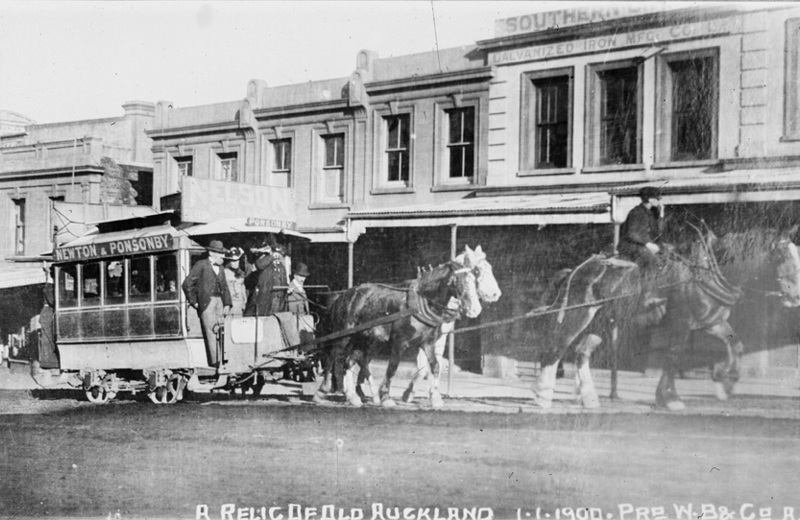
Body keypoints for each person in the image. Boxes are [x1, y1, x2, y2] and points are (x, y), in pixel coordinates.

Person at [182, 240, 232, 367]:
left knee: (224, 331)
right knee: (212, 333)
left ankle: (225, 361)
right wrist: (194, 302)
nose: (223, 256)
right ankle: (216, 364)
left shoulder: (220, 268)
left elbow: (225, 287)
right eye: (220, 253)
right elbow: (187, 284)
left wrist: (227, 303)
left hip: (220, 302)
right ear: (212, 253)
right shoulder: (201, 265)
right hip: (207, 303)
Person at [619, 186, 663, 269]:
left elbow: (657, 232)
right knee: (652, 261)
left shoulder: (651, 213)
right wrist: (648, 244)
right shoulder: (636, 212)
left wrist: (661, 214)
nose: (660, 200)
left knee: (665, 253)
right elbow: (632, 233)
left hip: (642, 245)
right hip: (630, 246)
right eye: (658, 198)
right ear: (650, 200)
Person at [244, 245, 288, 316]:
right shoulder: (267, 263)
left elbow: (284, 282)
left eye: (279, 255)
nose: (277, 257)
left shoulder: (282, 267)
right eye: (276, 254)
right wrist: (271, 257)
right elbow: (259, 265)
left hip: (278, 298)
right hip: (266, 296)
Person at [223, 247, 247, 316]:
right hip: (229, 304)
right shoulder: (225, 272)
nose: (235, 263)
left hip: (239, 304)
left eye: (237, 260)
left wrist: (244, 301)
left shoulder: (241, 274)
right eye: (233, 261)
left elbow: (242, 287)